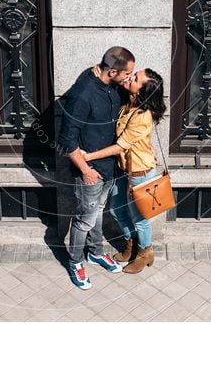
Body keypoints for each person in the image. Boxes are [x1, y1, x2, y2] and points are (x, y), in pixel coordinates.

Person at [57, 46, 136, 290]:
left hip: (110, 166)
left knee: (98, 212)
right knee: (84, 220)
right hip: (91, 170)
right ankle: (75, 261)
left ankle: (96, 252)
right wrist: (85, 170)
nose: (129, 78)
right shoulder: (83, 94)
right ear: (112, 71)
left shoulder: (107, 82)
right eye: (127, 74)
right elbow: (67, 139)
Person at [82, 68, 166, 274]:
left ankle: (145, 253)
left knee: (141, 218)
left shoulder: (143, 115)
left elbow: (121, 146)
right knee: (116, 209)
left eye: (135, 78)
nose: (130, 77)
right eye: (133, 73)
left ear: (142, 90)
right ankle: (131, 243)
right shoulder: (128, 101)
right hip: (124, 168)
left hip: (140, 172)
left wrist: (89, 157)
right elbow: (108, 72)